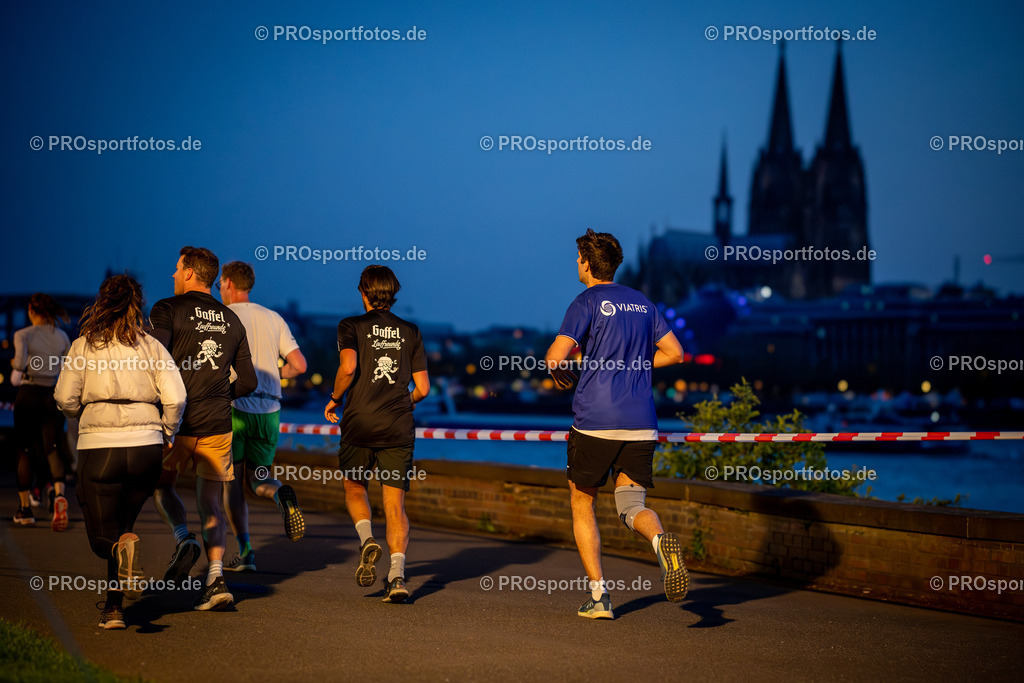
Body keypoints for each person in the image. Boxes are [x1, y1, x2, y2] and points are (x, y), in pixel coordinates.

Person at [544, 228, 689, 620]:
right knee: (631, 506)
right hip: (641, 422)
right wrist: (634, 362)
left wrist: (558, 369)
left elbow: (555, 356)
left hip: (596, 421)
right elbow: (676, 353)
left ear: (587, 264)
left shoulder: (586, 301)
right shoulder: (643, 303)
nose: (576, 264)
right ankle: (659, 542)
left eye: (578, 259)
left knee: (582, 501)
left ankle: (599, 598)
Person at [54, 275, 187, 629]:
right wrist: (167, 432)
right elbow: (177, 397)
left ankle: (115, 597)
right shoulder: (152, 346)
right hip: (146, 447)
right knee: (124, 529)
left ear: (102, 303)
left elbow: (64, 398)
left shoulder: (84, 345)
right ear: (137, 306)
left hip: (100, 447)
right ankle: (114, 608)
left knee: (104, 537)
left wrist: (78, 412)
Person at [150, 246, 257, 611]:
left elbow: (156, 359)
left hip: (175, 421)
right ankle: (215, 579)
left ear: (190, 273)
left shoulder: (167, 308)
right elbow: (249, 381)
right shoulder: (232, 320)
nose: (173, 275)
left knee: (161, 486)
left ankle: (183, 538)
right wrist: (218, 393)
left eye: (177, 269)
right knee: (211, 502)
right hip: (216, 423)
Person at [325, 265, 429, 604]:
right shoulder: (411, 331)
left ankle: (367, 538)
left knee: (355, 487)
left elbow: (348, 367)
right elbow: (423, 388)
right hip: (398, 425)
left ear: (363, 291)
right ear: (393, 292)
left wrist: (335, 398)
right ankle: (397, 577)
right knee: (395, 505)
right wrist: (404, 402)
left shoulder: (350, 326)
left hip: (359, 422)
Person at [218, 261, 308, 572]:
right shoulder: (274, 318)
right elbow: (300, 365)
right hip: (269, 409)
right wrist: (273, 374)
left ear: (229, 283)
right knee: (258, 478)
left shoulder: (224, 317)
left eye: (220, 285)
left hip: (236, 409)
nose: (220, 290)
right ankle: (279, 493)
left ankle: (245, 552)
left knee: (231, 483)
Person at [10, 294, 71, 530]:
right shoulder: (62, 336)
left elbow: (18, 366)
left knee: (24, 450)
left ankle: (25, 509)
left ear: (30, 310)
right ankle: (59, 495)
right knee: (53, 447)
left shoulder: (23, 334)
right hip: (51, 396)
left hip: (29, 394)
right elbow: (67, 369)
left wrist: (17, 362)